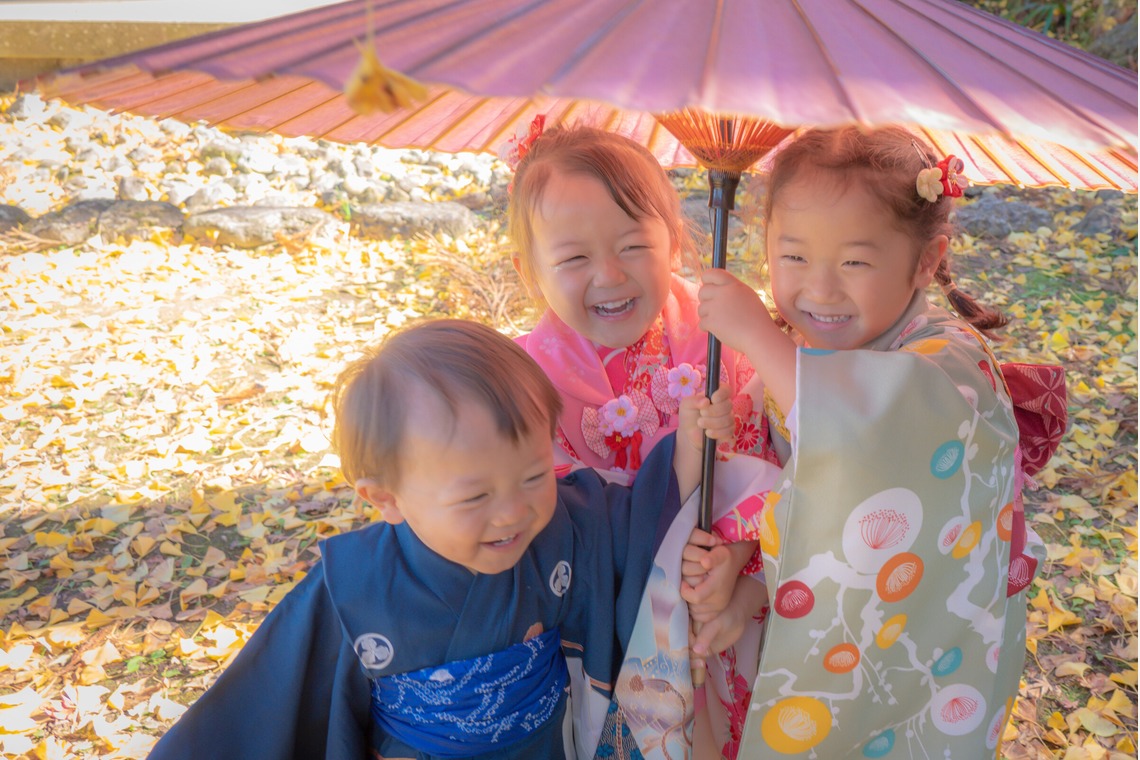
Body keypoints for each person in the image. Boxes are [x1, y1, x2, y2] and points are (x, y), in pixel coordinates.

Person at [147, 318, 742, 760]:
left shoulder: (561, 530)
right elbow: (266, 702)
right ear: (386, 498)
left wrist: (690, 448)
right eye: (475, 497)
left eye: (534, 476)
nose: (514, 512)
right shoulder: (354, 586)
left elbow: (635, 524)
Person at [697, 125, 1065, 758]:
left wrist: (759, 338)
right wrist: (740, 573)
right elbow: (793, 497)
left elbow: (862, 442)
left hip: (920, 652)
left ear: (925, 260)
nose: (820, 289)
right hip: (827, 629)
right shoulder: (804, 351)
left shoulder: (951, 363)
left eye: (854, 262)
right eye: (793, 257)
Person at [502, 120, 776, 758]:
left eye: (632, 246)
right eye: (574, 258)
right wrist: (675, 477)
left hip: (717, 615)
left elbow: (766, 466)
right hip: (606, 629)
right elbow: (551, 524)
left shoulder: (718, 337)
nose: (609, 275)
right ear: (529, 270)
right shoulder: (523, 384)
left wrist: (738, 572)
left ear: (673, 240)